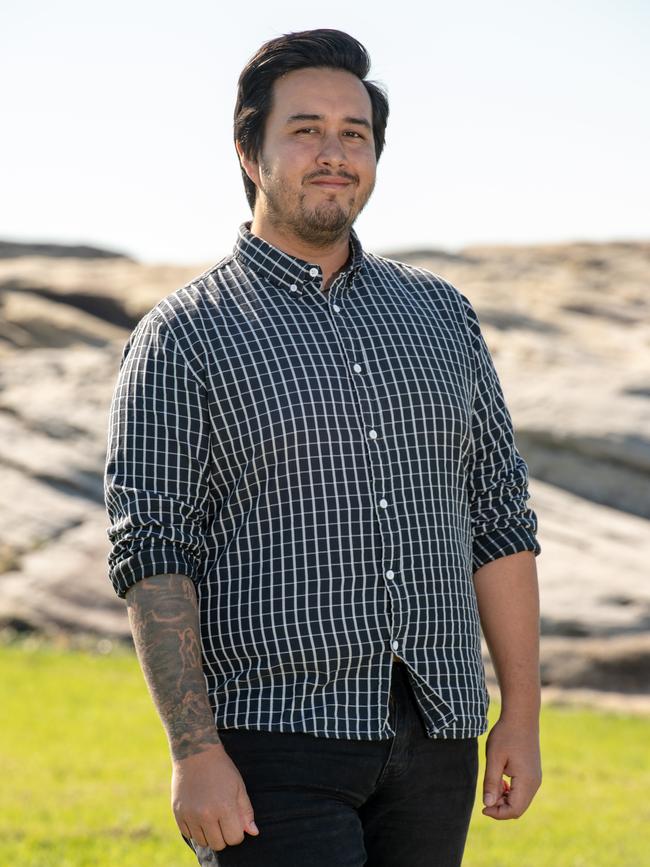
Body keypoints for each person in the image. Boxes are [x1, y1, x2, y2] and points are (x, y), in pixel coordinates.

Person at [104, 28, 542, 867]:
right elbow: (154, 549)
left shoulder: (442, 317)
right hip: (272, 742)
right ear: (248, 149)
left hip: (438, 731)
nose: (334, 153)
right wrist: (194, 750)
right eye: (305, 130)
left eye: (355, 134)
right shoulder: (181, 337)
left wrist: (517, 714)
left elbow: (499, 520)